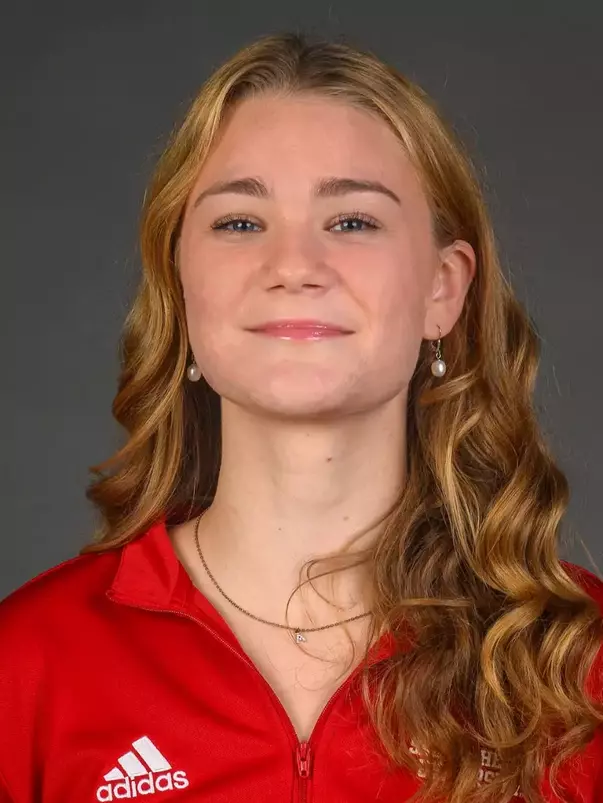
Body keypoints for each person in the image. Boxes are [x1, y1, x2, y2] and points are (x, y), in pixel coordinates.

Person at [1, 31, 602, 803]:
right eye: (239, 223)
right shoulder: (30, 662)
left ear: (441, 290)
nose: (292, 266)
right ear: (181, 286)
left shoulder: (576, 661)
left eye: (352, 221)